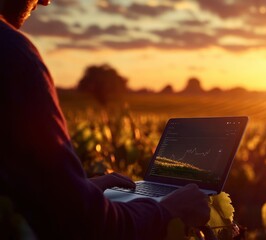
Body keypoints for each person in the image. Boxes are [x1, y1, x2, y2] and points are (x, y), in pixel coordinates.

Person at [0, 0, 210, 239]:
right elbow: (83, 225)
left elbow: (33, 198)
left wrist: (80, 189)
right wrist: (165, 210)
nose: (46, 1)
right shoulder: (12, 54)